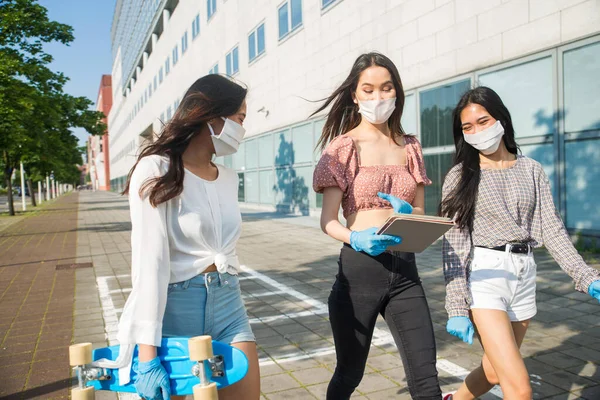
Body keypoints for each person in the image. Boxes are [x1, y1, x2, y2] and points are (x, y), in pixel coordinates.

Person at [439, 86, 600, 400]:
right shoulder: (460, 176)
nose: (476, 132)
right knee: (519, 389)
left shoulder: (532, 170)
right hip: (484, 277)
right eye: (467, 127)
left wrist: (586, 276)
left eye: (483, 121)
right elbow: (454, 246)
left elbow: (551, 229)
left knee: (494, 370)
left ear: (500, 120)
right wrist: (456, 306)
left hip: (524, 274)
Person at [112, 75, 260, 400]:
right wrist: (147, 357)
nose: (242, 129)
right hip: (176, 311)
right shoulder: (155, 169)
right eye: (240, 119)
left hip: (228, 302)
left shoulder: (229, 178)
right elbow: (149, 263)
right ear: (212, 117)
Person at [312, 52, 442, 400]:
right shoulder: (342, 148)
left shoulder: (410, 146)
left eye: (386, 88)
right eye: (368, 90)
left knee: (427, 379)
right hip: (359, 272)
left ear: (396, 92)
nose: (378, 97)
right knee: (349, 374)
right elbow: (328, 220)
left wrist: (410, 213)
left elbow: (418, 209)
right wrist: (355, 237)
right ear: (354, 95)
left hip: (405, 272)